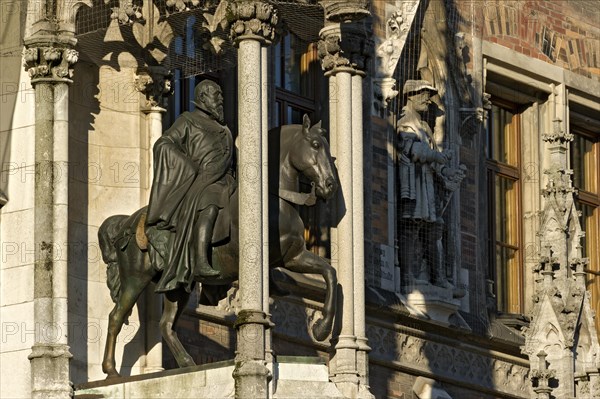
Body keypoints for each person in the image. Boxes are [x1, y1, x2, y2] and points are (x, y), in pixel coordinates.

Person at [147, 80, 236, 293]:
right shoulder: (187, 121)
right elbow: (164, 143)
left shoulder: (225, 130)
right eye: (217, 94)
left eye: (222, 95)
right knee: (211, 205)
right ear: (203, 97)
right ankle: (200, 260)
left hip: (226, 180)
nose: (221, 99)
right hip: (203, 184)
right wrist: (187, 166)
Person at [397, 79, 458, 289]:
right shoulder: (406, 122)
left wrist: (448, 172)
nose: (427, 99)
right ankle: (408, 276)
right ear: (411, 96)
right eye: (422, 94)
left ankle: (438, 277)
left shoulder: (423, 126)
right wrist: (437, 157)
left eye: (428, 94)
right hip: (413, 186)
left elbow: (432, 160)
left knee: (434, 229)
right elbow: (413, 151)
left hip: (426, 185)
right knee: (411, 228)